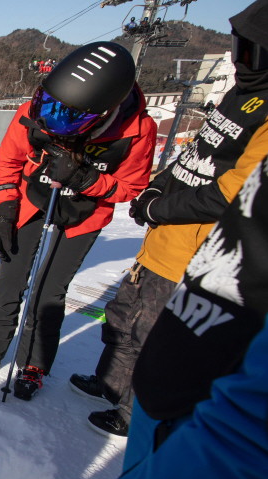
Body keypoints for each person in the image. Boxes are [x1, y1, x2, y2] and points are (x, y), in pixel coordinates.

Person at [68, 1, 268, 437]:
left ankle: (132, 413)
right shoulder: (239, 96)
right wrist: (158, 186)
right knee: (124, 316)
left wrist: (163, 207)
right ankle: (109, 384)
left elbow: (237, 191)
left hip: (192, 248)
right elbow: (195, 153)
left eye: (250, 48)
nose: (239, 56)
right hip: (160, 242)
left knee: (154, 335)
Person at [65, 156, 268, 479]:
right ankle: (117, 391)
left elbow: (247, 430)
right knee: (127, 324)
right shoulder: (237, 116)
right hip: (176, 278)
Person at [0, 42, 157, 401]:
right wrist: (5, 209)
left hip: (84, 212)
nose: (55, 120)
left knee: (49, 290)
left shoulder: (137, 130)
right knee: (10, 277)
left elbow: (131, 188)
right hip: (33, 200)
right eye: (49, 106)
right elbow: (8, 162)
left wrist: (84, 179)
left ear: (104, 110)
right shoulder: (35, 110)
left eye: (72, 117)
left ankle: (34, 361)